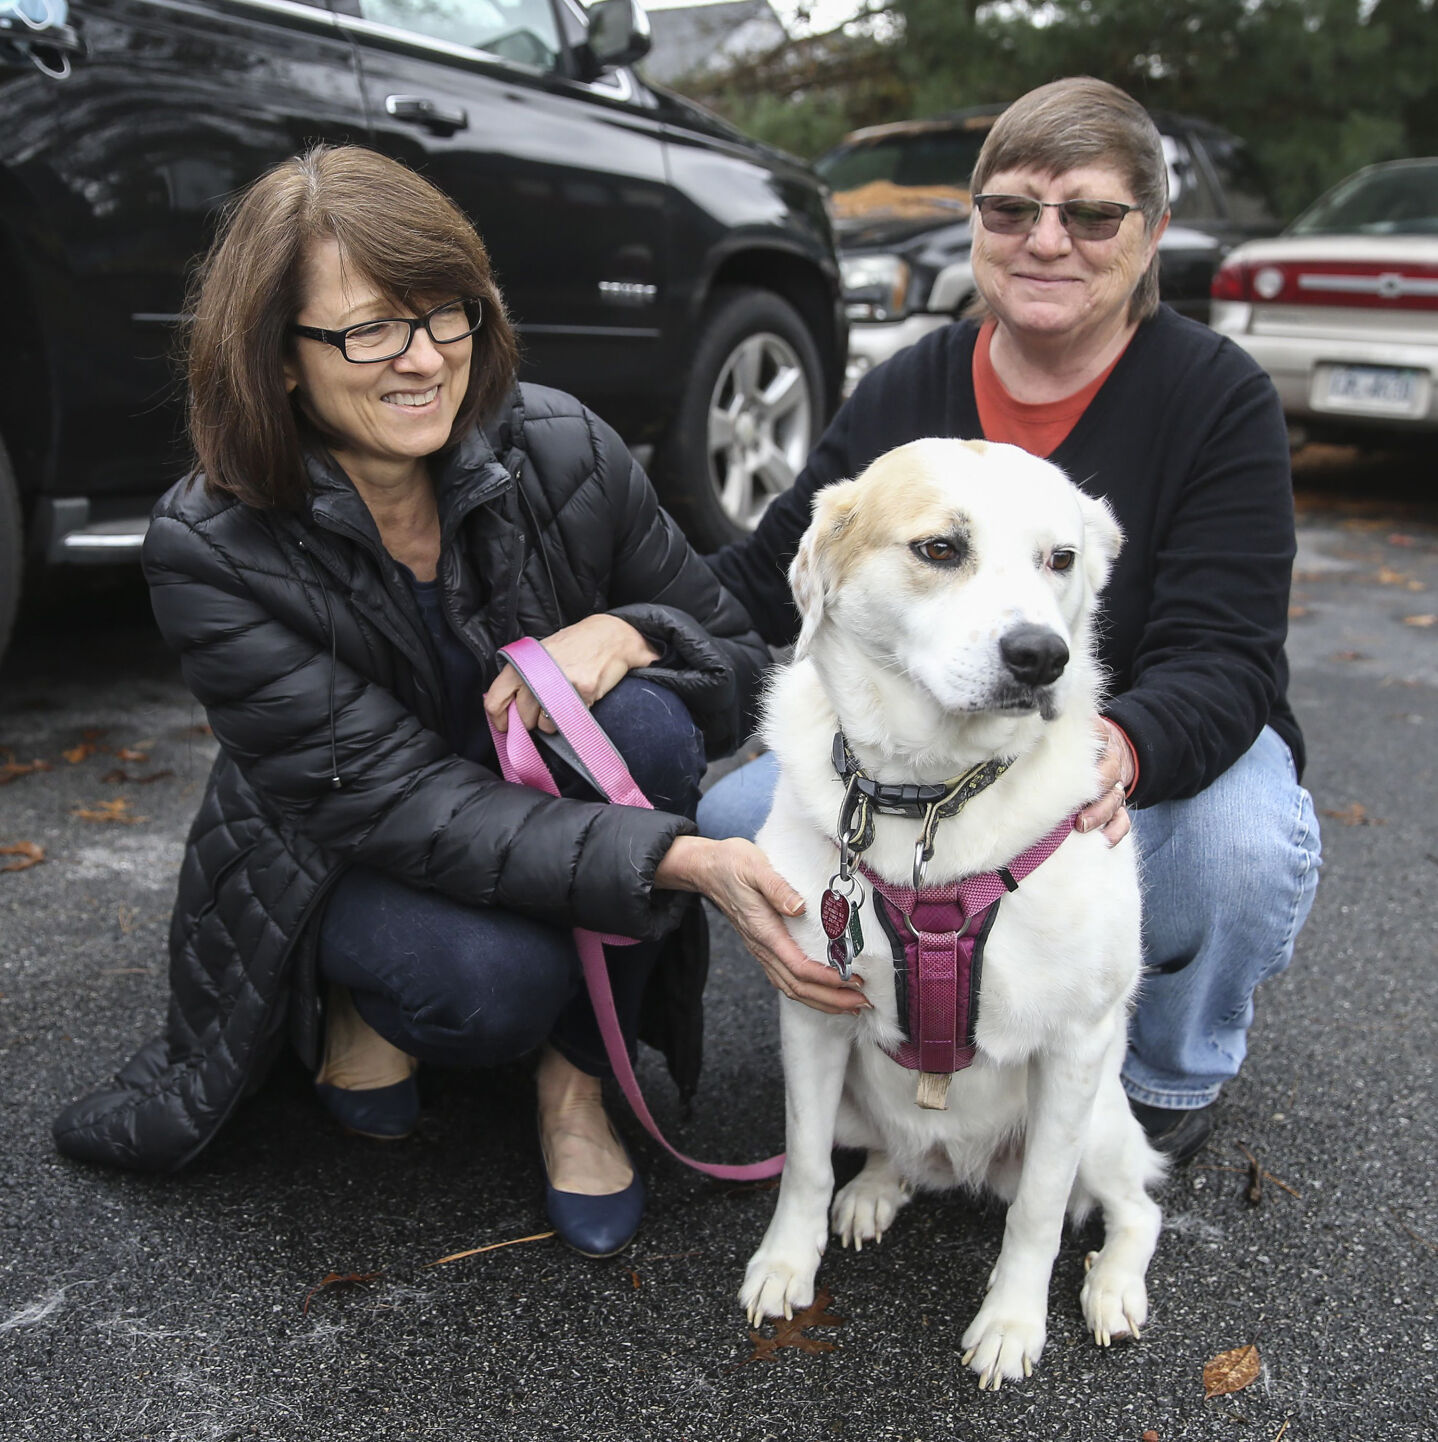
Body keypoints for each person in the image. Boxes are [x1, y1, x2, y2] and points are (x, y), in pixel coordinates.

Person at [50, 146, 861, 1258]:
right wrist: (682, 861)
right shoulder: (212, 543)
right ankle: (355, 1006)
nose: (423, 359)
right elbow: (396, 801)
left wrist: (627, 630)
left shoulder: (562, 446)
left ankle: (577, 1085)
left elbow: (729, 661)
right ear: (277, 359)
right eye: (369, 330)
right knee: (484, 985)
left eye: (447, 315)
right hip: (347, 844)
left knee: (645, 720)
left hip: (535, 817)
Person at [700, 77, 1322, 1165]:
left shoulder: (1216, 396)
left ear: (1153, 234)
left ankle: (1164, 1071)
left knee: (1238, 848)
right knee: (749, 806)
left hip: (1117, 741)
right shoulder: (906, 389)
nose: (1047, 241)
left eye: (1090, 214)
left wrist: (1118, 748)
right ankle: (907, 1041)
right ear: (975, 220)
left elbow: (1226, 652)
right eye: (1011, 209)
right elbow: (766, 576)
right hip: (939, 745)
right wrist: (611, 622)